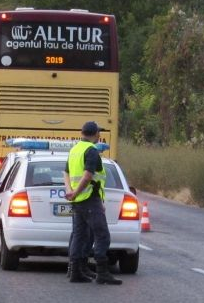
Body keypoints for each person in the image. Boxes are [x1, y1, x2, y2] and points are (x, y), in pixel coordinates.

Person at [65, 121, 122, 285]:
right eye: (99, 133)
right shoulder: (91, 151)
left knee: (79, 236)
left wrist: (71, 191)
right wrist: (75, 192)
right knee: (102, 235)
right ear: (96, 134)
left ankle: (76, 272)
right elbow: (88, 175)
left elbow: (65, 172)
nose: (99, 135)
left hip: (78, 202)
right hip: (89, 200)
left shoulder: (75, 149)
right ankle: (102, 273)